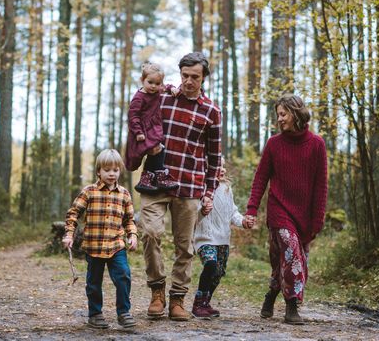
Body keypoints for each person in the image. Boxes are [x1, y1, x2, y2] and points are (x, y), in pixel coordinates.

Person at [139, 51, 222, 321]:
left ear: (204, 78)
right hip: (155, 182)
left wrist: (209, 193)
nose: (188, 81)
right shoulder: (162, 99)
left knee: (184, 247)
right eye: (184, 75)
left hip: (189, 186)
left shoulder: (211, 111)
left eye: (194, 77)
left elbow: (214, 157)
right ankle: (157, 292)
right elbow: (137, 104)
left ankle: (177, 299)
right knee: (150, 233)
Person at [245, 94, 328, 325]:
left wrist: (317, 221)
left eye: (283, 114)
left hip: (304, 215)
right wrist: (252, 209)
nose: (279, 119)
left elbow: (321, 186)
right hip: (279, 211)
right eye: (278, 115)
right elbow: (260, 179)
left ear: (296, 114)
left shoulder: (317, 144)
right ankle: (292, 307)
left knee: (291, 261)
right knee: (292, 255)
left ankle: (271, 294)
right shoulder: (274, 144)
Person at [62, 149, 138, 329]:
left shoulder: (124, 194)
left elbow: (129, 220)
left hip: (116, 245)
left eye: (115, 170)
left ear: (120, 171)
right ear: (99, 171)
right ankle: (95, 314)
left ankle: (123, 312)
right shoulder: (89, 192)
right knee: (94, 282)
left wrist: (132, 235)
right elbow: (73, 214)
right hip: (94, 246)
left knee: (123, 276)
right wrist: (69, 234)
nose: (112, 174)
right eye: (107, 170)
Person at [191, 159, 253, 319]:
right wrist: (202, 211)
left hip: (223, 239)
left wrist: (243, 221)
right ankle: (198, 303)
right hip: (205, 237)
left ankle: (206, 302)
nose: (223, 169)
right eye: (218, 166)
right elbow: (193, 214)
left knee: (218, 272)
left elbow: (232, 212)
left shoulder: (226, 188)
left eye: (224, 166)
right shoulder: (201, 188)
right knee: (210, 265)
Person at [125, 61, 179, 193]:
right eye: (150, 82)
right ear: (142, 80)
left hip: (153, 128)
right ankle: (160, 176)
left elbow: (165, 87)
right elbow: (133, 116)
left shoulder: (157, 90)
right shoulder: (139, 97)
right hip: (144, 130)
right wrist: (138, 132)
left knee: (157, 150)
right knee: (158, 149)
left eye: (157, 83)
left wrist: (171, 88)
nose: (154, 86)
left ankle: (147, 178)